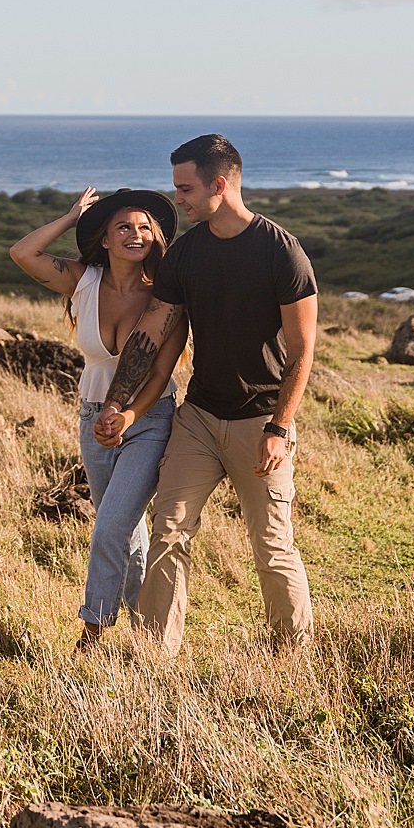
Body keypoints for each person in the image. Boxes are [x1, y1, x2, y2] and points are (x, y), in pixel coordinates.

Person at [94, 134, 318, 656]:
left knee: (271, 545)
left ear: (220, 184)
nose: (178, 200)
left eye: (185, 188)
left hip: (261, 421)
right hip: (197, 417)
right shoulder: (187, 254)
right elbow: (152, 333)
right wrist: (118, 405)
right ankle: (156, 657)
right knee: (169, 533)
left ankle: (293, 657)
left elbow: (302, 350)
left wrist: (280, 428)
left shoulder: (282, 252)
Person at [10, 186, 188, 652]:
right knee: (126, 528)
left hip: (149, 419)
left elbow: (162, 373)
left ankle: (92, 631)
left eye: (145, 227)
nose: (136, 234)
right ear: (105, 239)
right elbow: (22, 251)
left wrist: (129, 413)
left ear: (156, 237)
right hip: (93, 418)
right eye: (123, 227)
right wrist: (72, 218)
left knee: (110, 525)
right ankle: (146, 631)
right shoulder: (83, 282)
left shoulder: (168, 298)